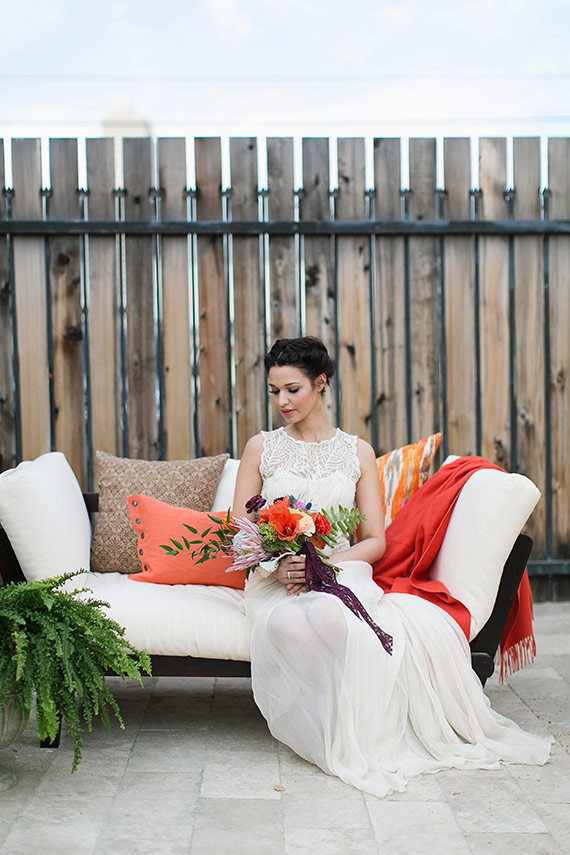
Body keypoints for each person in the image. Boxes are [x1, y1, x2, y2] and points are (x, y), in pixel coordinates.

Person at [232, 335, 552, 798]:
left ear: (321, 383)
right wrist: (275, 566)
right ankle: (326, 732)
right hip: (277, 578)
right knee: (288, 628)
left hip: (340, 569)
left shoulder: (356, 452)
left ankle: (355, 730)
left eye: (293, 389)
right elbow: (239, 529)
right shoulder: (261, 447)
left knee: (328, 617)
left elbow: (376, 543)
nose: (282, 401)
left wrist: (326, 565)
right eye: (274, 391)